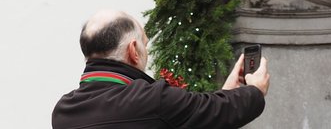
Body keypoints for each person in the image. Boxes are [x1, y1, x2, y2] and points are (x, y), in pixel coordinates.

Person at [52, 10, 270, 129]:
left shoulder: (64, 111)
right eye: (145, 44)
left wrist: (228, 92)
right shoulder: (150, 100)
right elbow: (216, 110)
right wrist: (254, 91)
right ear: (133, 51)